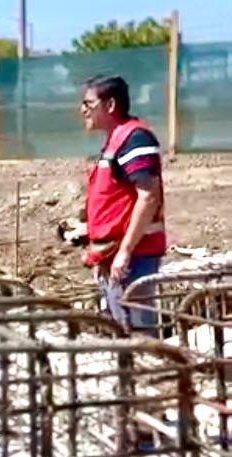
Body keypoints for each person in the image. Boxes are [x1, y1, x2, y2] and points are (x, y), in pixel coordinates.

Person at [80, 75, 166, 332]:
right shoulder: (115, 141)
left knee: (138, 332)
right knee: (122, 328)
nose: (82, 110)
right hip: (115, 255)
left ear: (110, 105)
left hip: (134, 256)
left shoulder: (134, 139)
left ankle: (149, 372)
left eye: (88, 103)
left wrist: (124, 252)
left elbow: (148, 196)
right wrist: (99, 254)